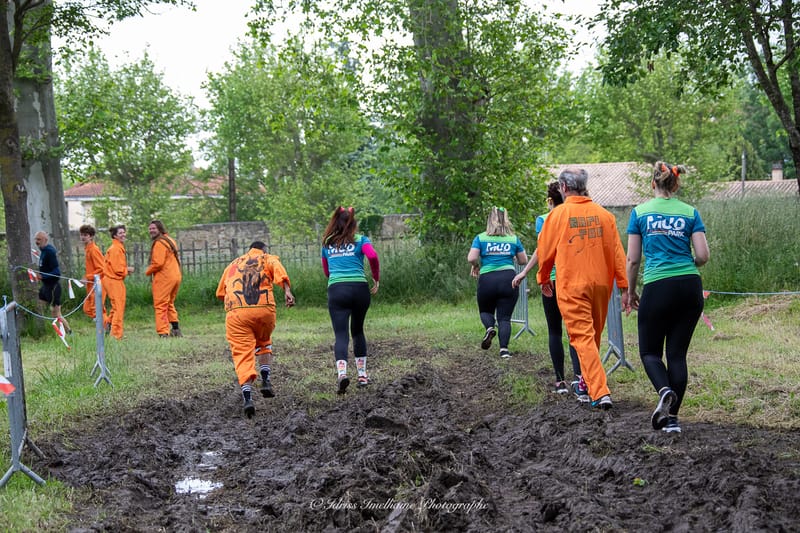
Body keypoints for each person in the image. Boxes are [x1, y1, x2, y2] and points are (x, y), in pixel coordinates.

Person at [623, 161, 709, 433]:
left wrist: (630, 291)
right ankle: (671, 420)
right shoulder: (690, 212)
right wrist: (688, 263)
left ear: (653, 183)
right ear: (676, 184)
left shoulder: (640, 213)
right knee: (677, 355)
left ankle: (664, 391)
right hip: (690, 286)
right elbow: (703, 256)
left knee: (650, 352)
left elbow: (633, 260)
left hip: (658, 286)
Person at [536, 168, 628, 409]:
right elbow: (618, 254)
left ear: (564, 188)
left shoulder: (557, 215)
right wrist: (624, 286)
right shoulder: (605, 215)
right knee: (592, 337)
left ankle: (600, 391)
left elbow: (545, 252)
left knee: (583, 338)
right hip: (601, 285)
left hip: (572, 285)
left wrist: (543, 278)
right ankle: (587, 383)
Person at [513, 183, 585, 400]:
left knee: (555, 331)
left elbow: (542, 249)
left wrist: (525, 271)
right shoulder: (576, 217)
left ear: (550, 200)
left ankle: (560, 380)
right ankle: (579, 378)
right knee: (575, 332)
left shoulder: (544, 219)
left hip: (552, 281)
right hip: (574, 280)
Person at [216, 241, 295, 417]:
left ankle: (247, 398)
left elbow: (220, 293)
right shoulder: (266, 258)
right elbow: (278, 269)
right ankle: (266, 379)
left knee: (242, 353)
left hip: (237, 314)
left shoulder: (233, 264)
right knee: (264, 340)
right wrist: (287, 290)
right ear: (264, 250)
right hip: (264, 310)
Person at [321, 206, 380, 394]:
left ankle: (342, 374)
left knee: (341, 335)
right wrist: (376, 278)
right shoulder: (361, 239)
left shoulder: (327, 242)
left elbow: (326, 271)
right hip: (359, 289)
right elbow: (372, 256)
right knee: (358, 331)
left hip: (337, 290)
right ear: (353, 224)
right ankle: (362, 376)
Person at [468, 207, 528, 358]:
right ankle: (504, 350)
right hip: (508, 279)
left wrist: (476, 265)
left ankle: (489, 328)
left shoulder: (481, 238)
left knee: (485, 311)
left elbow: (471, 258)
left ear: (489, 220)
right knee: (504, 318)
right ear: (506, 220)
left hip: (487, 280)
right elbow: (523, 260)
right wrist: (511, 256)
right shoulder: (513, 239)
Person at [145, 220, 183, 338]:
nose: (151, 231)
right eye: (150, 229)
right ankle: (175, 329)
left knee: (160, 304)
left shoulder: (159, 243)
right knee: (169, 303)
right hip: (176, 275)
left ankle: (163, 333)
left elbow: (158, 263)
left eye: (153, 228)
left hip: (165, 277)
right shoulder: (170, 240)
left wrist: (148, 271)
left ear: (160, 229)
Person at [34, 231, 70, 333]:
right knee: (37, 306)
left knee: (56, 314)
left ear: (45, 240)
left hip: (53, 287)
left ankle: (69, 332)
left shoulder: (49, 252)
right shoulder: (43, 251)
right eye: (36, 239)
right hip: (45, 287)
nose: (36, 241)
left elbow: (57, 272)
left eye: (39, 239)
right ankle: (39, 330)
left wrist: (43, 276)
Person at [103, 225, 134, 340]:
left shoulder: (117, 247)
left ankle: (109, 325)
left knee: (116, 306)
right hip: (113, 280)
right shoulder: (115, 249)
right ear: (115, 235)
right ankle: (115, 335)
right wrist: (127, 270)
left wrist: (124, 270)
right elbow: (117, 269)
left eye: (124, 232)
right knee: (118, 308)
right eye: (120, 233)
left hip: (114, 280)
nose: (123, 234)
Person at [78, 225, 108, 325]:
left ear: (91, 236)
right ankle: (107, 323)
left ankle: (106, 327)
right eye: (81, 235)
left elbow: (102, 269)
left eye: (85, 235)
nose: (83, 237)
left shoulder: (94, 250)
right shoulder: (87, 249)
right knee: (87, 308)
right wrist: (86, 278)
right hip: (91, 283)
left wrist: (88, 277)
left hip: (99, 283)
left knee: (96, 309)